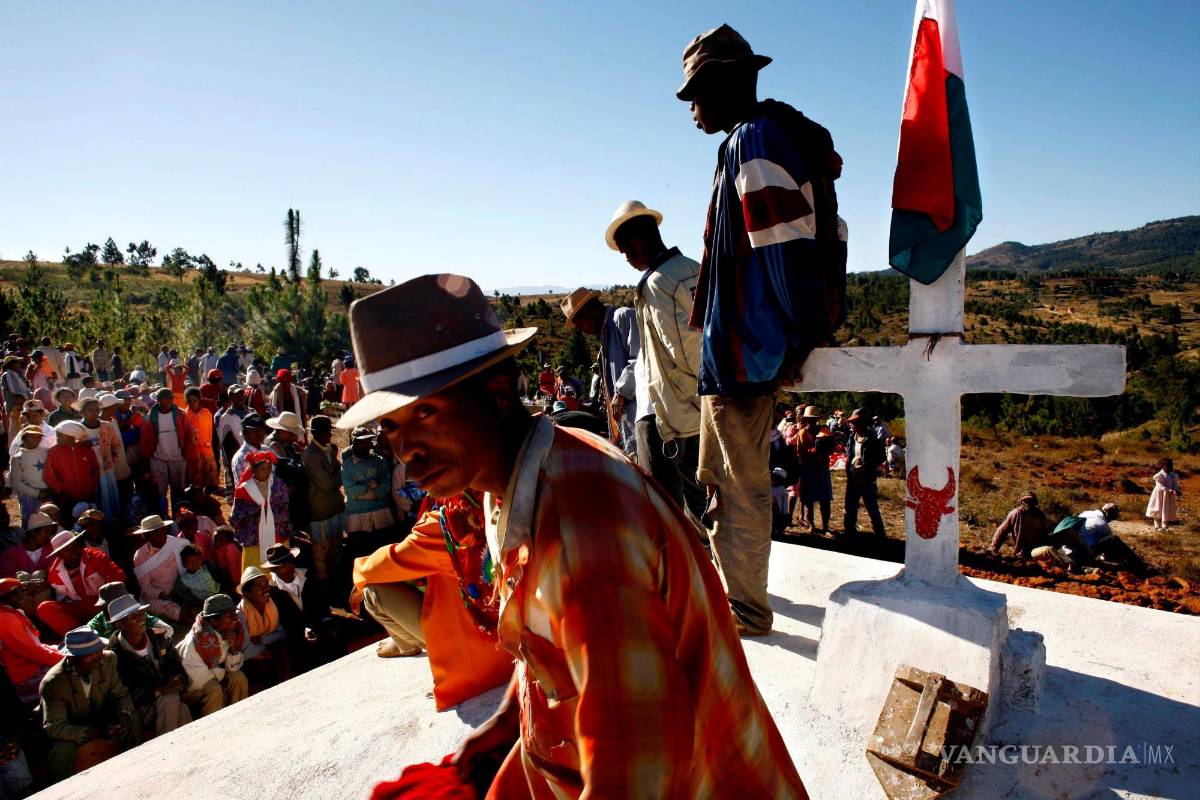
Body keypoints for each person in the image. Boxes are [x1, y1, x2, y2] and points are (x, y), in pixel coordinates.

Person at [335, 274, 805, 797]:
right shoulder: (509, 482)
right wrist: (504, 726)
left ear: (497, 392)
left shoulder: (584, 537)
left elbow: (639, 773)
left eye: (425, 412)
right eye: (392, 427)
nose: (407, 450)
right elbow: (549, 647)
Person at [677, 25, 845, 637]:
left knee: (738, 489)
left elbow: (783, 247)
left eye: (696, 94)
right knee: (723, 481)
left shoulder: (754, 142)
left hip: (747, 353)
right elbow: (823, 232)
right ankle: (736, 595)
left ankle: (744, 610)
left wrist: (799, 332)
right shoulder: (767, 140)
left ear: (723, 85)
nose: (693, 109)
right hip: (742, 351)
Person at [351, 492, 513, 709]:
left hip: (478, 666)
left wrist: (358, 578)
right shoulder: (505, 504)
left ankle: (407, 644)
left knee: (373, 590)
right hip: (516, 646)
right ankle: (405, 642)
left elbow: (384, 563)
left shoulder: (447, 526)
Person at [606, 199, 708, 530]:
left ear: (643, 236)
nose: (626, 256)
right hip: (700, 409)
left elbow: (685, 349)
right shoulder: (695, 267)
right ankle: (713, 568)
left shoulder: (655, 283)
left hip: (669, 413)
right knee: (704, 500)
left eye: (626, 247)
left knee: (662, 510)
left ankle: (684, 574)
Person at [40, 627, 137, 782]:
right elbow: (54, 726)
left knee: (132, 718)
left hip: (100, 719)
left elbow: (121, 694)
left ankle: (135, 768)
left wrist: (122, 715)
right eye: (91, 654)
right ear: (72, 658)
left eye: (99, 650)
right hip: (75, 729)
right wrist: (92, 732)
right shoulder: (54, 682)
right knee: (62, 751)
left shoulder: (108, 659)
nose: (99, 657)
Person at [560, 288, 641, 457]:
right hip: (627, 422)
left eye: (579, 323)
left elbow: (640, 358)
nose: (581, 330)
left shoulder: (623, 317)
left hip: (642, 415)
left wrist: (620, 392)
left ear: (590, 312)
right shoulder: (605, 334)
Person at [106, 593, 192, 738]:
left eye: (142, 613)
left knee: (180, 706)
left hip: (169, 696)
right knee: (172, 701)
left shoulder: (159, 638)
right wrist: (159, 690)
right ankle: (168, 745)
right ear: (118, 624)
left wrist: (177, 679)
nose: (141, 618)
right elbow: (125, 692)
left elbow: (176, 666)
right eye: (134, 616)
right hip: (141, 707)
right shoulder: (113, 655)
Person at [260, 543, 340, 669]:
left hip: (319, 626)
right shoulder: (271, 592)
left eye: (290, 562)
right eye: (283, 565)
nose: (290, 567)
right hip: (293, 637)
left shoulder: (308, 576)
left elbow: (322, 604)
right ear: (274, 570)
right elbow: (281, 623)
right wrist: (303, 631)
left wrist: (326, 621)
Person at [40, 529, 126, 637]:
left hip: (105, 603)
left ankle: (108, 630)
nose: (74, 551)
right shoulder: (54, 571)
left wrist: (106, 602)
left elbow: (119, 577)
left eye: (76, 546)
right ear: (59, 554)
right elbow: (63, 598)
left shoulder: (96, 556)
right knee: (45, 607)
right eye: (68, 549)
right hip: (81, 607)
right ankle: (81, 636)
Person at [175, 593, 248, 717]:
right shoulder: (196, 642)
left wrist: (234, 649)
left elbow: (234, 667)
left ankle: (240, 717)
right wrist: (222, 671)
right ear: (214, 620)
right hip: (189, 689)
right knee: (213, 689)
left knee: (238, 677)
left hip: (214, 676)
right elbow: (197, 681)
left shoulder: (231, 630)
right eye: (229, 616)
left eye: (234, 614)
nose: (235, 619)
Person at [0, 578, 63, 706]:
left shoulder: (11, 612)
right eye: (15, 594)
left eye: (21, 591)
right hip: (27, 674)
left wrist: (57, 649)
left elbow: (34, 645)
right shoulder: (6, 619)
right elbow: (32, 652)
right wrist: (65, 658)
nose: (22, 596)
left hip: (31, 666)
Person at [230, 451, 292, 571]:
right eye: (263, 468)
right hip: (255, 539)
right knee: (257, 569)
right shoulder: (244, 489)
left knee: (281, 568)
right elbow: (237, 517)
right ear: (253, 469)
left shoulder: (277, 484)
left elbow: (284, 506)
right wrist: (255, 511)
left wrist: (273, 511)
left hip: (277, 533)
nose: (267, 471)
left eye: (269, 468)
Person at [302, 415, 346, 581]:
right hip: (319, 510)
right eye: (326, 432)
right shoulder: (311, 455)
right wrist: (339, 474)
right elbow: (327, 484)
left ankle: (333, 577)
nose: (330, 435)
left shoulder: (327, 450)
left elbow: (331, 480)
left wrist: (335, 475)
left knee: (335, 545)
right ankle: (323, 582)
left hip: (332, 506)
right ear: (315, 433)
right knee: (321, 550)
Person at [139, 388, 193, 514]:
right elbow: (145, 441)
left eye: (171, 398)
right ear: (158, 400)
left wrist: (188, 456)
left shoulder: (181, 415)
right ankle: (163, 516)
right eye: (166, 398)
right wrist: (146, 460)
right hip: (158, 460)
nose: (169, 400)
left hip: (178, 459)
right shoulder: (149, 418)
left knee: (178, 491)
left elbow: (189, 436)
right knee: (159, 492)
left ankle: (177, 516)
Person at [234, 566, 291, 683]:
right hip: (250, 660)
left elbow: (284, 632)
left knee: (283, 650)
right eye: (259, 585)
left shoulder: (273, 604)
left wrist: (263, 639)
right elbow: (247, 651)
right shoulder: (240, 614)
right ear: (247, 594)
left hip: (266, 650)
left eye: (266, 583)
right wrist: (267, 648)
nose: (266, 588)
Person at [131, 515, 188, 622]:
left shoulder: (178, 544)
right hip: (157, 596)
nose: (162, 534)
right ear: (146, 536)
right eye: (156, 532)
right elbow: (145, 587)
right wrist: (164, 595)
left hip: (184, 589)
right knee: (178, 611)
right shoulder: (140, 555)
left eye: (162, 530)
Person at [341, 427, 394, 535]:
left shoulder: (380, 461)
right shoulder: (347, 465)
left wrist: (360, 494)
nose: (366, 446)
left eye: (368, 442)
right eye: (362, 442)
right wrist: (371, 486)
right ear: (354, 444)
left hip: (380, 513)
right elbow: (351, 492)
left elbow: (386, 487)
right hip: (357, 516)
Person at [843, 409, 887, 537]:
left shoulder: (873, 439)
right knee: (850, 507)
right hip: (853, 479)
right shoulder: (852, 437)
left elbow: (881, 458)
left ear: (862, 423)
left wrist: (866, 465)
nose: (851, 424)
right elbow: (849, 456)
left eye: (854, 422)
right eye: (851, 422)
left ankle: (880, 535)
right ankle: (849, 532)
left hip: (867, 479)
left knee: (872, 508)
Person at [79, 396, 123, 522]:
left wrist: (111, 460)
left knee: (110, 499)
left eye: (96, 409)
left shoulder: (107, 427)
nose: (94, 412)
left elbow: (116, 444)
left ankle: (112, 522)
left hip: (107, 470)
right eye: (90, 410)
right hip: (89, 474)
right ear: (82, 412)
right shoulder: (79, 430)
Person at [265, 411, 309, 531]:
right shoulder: (273, 446)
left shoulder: (284, 443)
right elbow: (288, 469)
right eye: (293, 434)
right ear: (284, 433)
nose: (295, 437)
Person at [44, 420, 100, 511]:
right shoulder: (53, 452)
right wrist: (61, 490)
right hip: (66, 497)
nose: (56, 438)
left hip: (88, 495)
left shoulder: (87, 450)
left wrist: (92, 486)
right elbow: (48, 475)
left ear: (71, 436)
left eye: (59, 436)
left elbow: (95, 469)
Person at [796, 406, 835, 535]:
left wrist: (823, 453)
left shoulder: (825, 431)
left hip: (822, 468)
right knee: (809, 499)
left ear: (817, 419)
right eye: (810, 419)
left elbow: (831, 448)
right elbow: (800, 453)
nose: (812, 422)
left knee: (825, 499)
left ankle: (825, 526)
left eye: (814, 419)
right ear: (806, 419)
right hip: (808, 469)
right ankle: (811, 524)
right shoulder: (802, 433)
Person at [8, 426, 50, 525]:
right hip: (29, 498)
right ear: (24, 437)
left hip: (49, 494)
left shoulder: (47, 452)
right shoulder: (18, 458)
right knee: (32, 524)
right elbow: (16, 483)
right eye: (32, 436)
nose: (36, 439)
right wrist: (37, 494)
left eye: (38, 436)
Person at [989, 491, 1049, 558]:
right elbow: (1002, 530)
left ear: (1035, 503)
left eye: (1030, 501)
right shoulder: (1017, 514)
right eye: (1025, 501)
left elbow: (1044, 534)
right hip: (1025, 551)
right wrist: (993, 548)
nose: (1028, 503)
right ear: (1021, 502)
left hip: (1038, 547)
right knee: (1048, 550)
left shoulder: (1040, 515)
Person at [182, 388, 219, 490]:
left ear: (199, 400)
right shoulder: (184, 416)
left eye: (195, 400)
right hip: (193, 453)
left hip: (207, 449)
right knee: (196, 480)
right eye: (189, 401)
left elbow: (210, 431)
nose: (192, 403)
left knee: (209, 479)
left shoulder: (206, 413)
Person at [0, 513, 56, 579]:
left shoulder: (53, 550)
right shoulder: (10, 555)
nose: (49, 535)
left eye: (51, 532)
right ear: (33, 532)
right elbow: (6, 578)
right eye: (46, 531)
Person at [229, 412, 267, 502]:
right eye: (255, 431)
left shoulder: (267, 449)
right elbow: (250, 490)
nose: (260, 433)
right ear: (245, 433)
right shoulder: (241, 458)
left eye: (261, 429)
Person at [1146, 457, 1183, 532]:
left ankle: (1164, 525)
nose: (1170, 468)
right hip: (1159, 494)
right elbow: (1160, 486)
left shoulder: (1173, 475)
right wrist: (1171, 491)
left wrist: (1176, 490)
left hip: (1168, 495)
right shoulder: (1158, 475)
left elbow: (1175, 484)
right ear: (1162, 466)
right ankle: (1156, 524)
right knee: (1158, 508)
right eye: (1168, 466)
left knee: (1166, 509)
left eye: (1171, 466)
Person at [2, 355, 31, 447]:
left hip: (20, 405)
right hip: (16, 406)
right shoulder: (7, 374)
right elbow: (13, 390)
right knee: (15, 429)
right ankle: (14, 449)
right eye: (17, 362)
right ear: (12, 364)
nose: (19, 364)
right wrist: (24, 395)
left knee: (21, 427)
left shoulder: (15, 374)